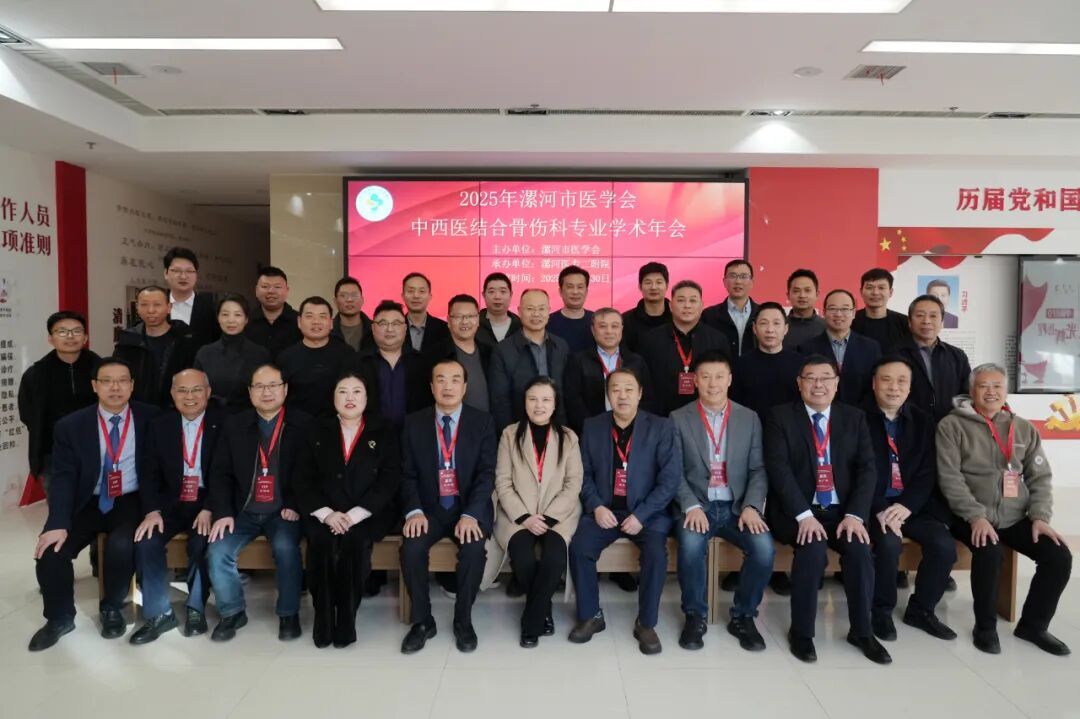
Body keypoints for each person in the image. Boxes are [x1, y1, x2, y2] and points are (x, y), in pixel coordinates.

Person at [937, 363, 1073, 656]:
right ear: (972, 390)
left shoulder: (1022, 427)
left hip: (1014, 515)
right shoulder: (951, 425)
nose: (991, 392)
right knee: (990, 551)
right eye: (983, 386)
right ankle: (985, 627)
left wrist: (1040, 516)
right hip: (967, 515)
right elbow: (950, 478)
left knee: (1058, 556)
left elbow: (1040, 477)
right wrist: (976, 516)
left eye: (997, 386)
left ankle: (1033, 626)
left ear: (1006, 390)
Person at [764, 355, 890, 665]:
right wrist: (804, 515)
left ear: (836, 383)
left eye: (825, 378)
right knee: (812, 547)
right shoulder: (780, 417)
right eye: (811, 378)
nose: (818, 384)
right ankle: (802, 632)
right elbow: (779, 470)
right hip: (797, 512)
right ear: (799, 383)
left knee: (859, 549)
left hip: (842, 511)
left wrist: (855, 515)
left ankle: (862, 631)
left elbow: (867, 469)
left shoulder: (854, 418)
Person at [29, 357, 158, 651]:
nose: (115, 387)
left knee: (121, 546)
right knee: (51, 550)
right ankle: (59, 618)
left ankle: (112, 607)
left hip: (130, 499)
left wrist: (154, 508)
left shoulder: (151, 418)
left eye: (122, 381)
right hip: (87, 500)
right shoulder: (71, 426)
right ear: (94, 386)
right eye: (107, 381)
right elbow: (63, 478)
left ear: (132, 385)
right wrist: (58, 523)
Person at [568, 368, 681, 655]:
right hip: (605, 510)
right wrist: (596, 505)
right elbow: (583, 474)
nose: (622, 395)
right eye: (616, 389)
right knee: (580, 548)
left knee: (655, 554)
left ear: (640, 393)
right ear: (608, 394)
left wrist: (642, 515)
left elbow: (669, 481)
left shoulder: (661, 427)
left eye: (629, 389)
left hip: (647, 513)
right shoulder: (593, 426)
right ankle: (591, 615)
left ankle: (646, 623)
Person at [670, 351, 773, 652]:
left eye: (719, 377)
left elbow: (758, 469)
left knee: (764, 549)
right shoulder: (678, 418)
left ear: (729, 380)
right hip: (697, 505)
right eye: (705, 377)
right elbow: (673, 471)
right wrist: (691, 505)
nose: (712, 383)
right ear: (695, 381)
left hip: (737, 506)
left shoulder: (749, 418)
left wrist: (752, 506)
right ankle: (695, 615)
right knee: (691, 547)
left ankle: (743, 616)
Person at [293, 372, 401, 648]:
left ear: (367, 397)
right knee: (320, 543)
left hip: (368, 513)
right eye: (342, 391)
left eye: (357, 391)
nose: (349, 398)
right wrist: (326, 514)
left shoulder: (384, 431)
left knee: (355, 544)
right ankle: (323, 616)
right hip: (325, 512)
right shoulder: (315, 430)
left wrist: (354, 515)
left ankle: (346, 618)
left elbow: (389, 480)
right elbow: (302, 479)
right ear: (333, 398)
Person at [398, 359, 498, 654]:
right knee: (411, 548)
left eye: (455, 380)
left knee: (474, 549)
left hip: (467, 507)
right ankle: (422, 622)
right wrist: (414, 511)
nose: (448, 386)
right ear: (431, 387)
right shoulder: (414, 423)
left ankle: (463, 620)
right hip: (428, 509)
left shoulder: (483, 422)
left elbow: (486, 474)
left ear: (465, 387)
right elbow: (406, 474)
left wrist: (471, 514)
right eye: (441, 380)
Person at [206, 364, 311, 643]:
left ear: (285, 390)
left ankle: (288, 614)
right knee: (218, 550)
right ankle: (232, 612)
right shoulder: (235, 425)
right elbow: (220, 473)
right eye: (260, 387)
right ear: (250, 392)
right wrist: (223, 512)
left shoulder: (303, 425)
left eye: (273, 385)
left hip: (283, 511)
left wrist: (295, 504)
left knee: (286, 549)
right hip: (242, 510)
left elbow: (311, 473)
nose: (267, 392)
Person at [862, 357, 957, 642]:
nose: (894, 387)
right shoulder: (856, 418)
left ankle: (921, 610)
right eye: (887, 380)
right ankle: (881, 611)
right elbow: (853, 471)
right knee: (889, 544)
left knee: (944, 546)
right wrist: (880, 507)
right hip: (873, 505)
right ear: (874, 383)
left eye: (902, 381)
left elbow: (928, 472)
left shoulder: (923, 421)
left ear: (910, 386)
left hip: (911, 506)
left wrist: (906, 506)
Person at [129, 368, 223, 644]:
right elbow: (148, 474)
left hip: (207, 501)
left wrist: (211, 507)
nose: (189, 396)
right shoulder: (160, 425)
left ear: (208, 392)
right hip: (170, 501)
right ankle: (159, 613)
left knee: (202, 541)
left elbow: (227, 473)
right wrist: (152, 511)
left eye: (196, 390)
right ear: (172, 394)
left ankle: (196, 608)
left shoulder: (224, 423)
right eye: (182, 390)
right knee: (146, 540)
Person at [491, 377, 583, 647]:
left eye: (546, 400)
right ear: (524, 403)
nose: (539, 405)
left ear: (555, 405)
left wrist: (549, 518)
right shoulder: (510, 435)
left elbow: (573, 483)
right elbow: (503, 482)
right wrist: (524, 517)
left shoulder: (568, 437)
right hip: (518, 515)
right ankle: (543, 610)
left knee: (554, 559)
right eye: (532, 399)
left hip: (558, 516)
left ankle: (531, 622)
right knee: (522, 559)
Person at [19, 311, 101, 493]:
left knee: (97, 503)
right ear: (51, 338)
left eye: (77, 331)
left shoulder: (101, 369)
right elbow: (28, 414)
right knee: (60, 503)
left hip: (97, 449)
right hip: (53, 453)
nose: (70, 336)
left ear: (85, 337)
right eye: (62, 331)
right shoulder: (36, 374)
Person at [637, 280, 727, 417]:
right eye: (680, 300)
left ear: (702, 306)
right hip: (660, 417)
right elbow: (643, 383)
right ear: (670, 306)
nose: (687, 306)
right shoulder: (650, 340)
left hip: (706, 418)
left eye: (693, 300)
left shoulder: (717, 340)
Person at [489, 288, 570, 431]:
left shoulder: (561, 346)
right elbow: (500, 400)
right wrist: (511, 434)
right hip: (518, 429)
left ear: (549, 311)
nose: (536, 314)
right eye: (530, 309)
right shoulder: (503, 350)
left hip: (556, 428)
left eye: (541, 309)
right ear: (519, 311)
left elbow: (567, 392)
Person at [564, 307, 651, 436]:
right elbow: (573, 401)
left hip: (632, 432)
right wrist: (592, 428)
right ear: (593, 330)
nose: (609, 331)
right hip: (592, 432)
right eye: (603, 326)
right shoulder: (578, 361)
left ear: (622, 329)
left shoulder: (636, 361)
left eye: (614, 326)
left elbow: (648, 399)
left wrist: (633, 426)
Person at [113, 286, 197, 407]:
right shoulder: (128, 340)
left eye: (157, 305)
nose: (151, 310)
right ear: (137, 307)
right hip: (137, 409)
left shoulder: (185, 340)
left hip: (175, 409)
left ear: (169, 307)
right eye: (144, 305)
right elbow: (117, 375)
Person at [355, 300, 432, 431]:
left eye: (396, 324)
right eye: (383, 324)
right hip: (371, 435)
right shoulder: (359, 362)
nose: (390, 329)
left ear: (405, 328)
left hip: (412, 435)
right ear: (373, 328)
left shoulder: (421, 362)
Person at [276, 296, 358, 417]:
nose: (316, 321)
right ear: (299, 321)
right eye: (309, 316)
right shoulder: (285, 358)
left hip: (338, 423)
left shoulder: (347, 354)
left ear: (331, 323)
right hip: (296, 424)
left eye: (322, 316)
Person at [797, 289, 881, 406]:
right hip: (821, 412)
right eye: (832, 309)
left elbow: (875, 386)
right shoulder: (807, 348)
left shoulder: (871, 348)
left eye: (845, 309)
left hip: (861, 413)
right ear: (824, 312)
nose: (839, 314)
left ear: (853, 313)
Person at [899, 294, 971, 423]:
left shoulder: (957, 356)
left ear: (942, 322)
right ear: (909, 322)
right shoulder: (895, 354)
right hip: (909, 426)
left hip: (949, 427)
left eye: (933, 316)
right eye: (920, 315)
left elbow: (966, 395)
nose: (926, 321)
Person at [193, 294, 271, 413]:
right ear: (218, 318)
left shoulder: (260, 354)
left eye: (237, 315)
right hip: (211, 415)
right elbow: (195, 389)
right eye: (225, 314)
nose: (231, 320)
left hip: (248, 416)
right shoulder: (204, 353)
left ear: (246, 319)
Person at [730, 301, 804, 421]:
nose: (770, 330)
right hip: (751, 427)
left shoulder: (801, 364)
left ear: (786, 329)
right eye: (764, 323)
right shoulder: (739, 365)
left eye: (776, 323)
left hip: (791, 428)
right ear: (754, 328)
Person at [162, 246, 219, 349]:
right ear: (166, 273)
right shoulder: (157, 307)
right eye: (177, 271)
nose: (183, 276)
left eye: (189, 271)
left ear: (196, 275)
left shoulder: (211, 309)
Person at [445, 294, 493, 413]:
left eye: (470, 316)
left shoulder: (490, 353)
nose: (465, 321)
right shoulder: (437, 355)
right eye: (458, 316)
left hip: (487, 422)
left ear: (478, 320)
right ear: (448, 321)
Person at [702, 259, 759, 358]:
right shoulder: (709, 315)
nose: (738, 281)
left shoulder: (762, 313)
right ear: (724, 282)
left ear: (752, 282)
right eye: (732, 276)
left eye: (744, 276)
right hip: (721, 367)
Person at [245, 266, 302, 357]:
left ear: (287, 291)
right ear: (256, 290)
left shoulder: (300, 322)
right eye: (265, 286)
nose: (271, 291)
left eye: (277, 287)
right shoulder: (245, 321)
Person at [852, 268, 911, 353]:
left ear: (890, 292)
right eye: (869, 287)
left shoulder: (905, 323)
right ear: (861, 291)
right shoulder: (850, 321)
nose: (875, 292)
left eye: (881, 288)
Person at [621, 261, 671, 354]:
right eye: (648, 283)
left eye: (659, 282)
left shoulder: (677, 318)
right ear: (640, 286)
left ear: (667, 286)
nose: (653, 287)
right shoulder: (626, 320)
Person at [402, 272, 452, 359]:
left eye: (421, 291)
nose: (416, 296)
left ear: (430, 296)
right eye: (410, 291)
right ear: (403, 296)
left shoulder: (445, 329)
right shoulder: (394, 327)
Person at [546, 265, 595, 353]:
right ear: (560, 291)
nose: (575, 292)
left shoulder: (596, 321)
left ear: (586, 291)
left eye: (580, 287)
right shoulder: (547, 322)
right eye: (570, 287)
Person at [783, 269, 826, 351]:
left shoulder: (827, 328)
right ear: (788, 295)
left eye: (807, 290)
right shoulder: (779, 327)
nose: (802, 295)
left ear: (817, 294)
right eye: (796, 291)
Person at [330, 276, 373, 353]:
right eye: (343, 296)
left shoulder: (374, 329)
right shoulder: (328, 330)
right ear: (335, 301)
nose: (349, 300)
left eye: (354, 295)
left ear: (362, 300)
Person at [477, 272, 520, 345]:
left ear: (511, 294)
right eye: (491, 292)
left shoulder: (520, 326)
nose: (497, 296)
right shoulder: (473, 323)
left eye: (503, 291)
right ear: (483, 295)